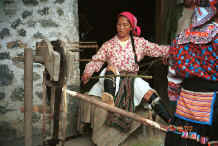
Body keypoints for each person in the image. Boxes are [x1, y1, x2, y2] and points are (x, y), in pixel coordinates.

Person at [81, 11, 172, 132]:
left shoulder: (139, 43)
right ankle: (110, 98)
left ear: (131, 27)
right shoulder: (109, 45)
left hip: (130, 78)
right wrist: (88, 71)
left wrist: (172, 52)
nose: (121, 28)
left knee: (150, 94)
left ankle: (171, 123)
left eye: (125, 25)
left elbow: (158, 49)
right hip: (111, 79)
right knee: (111, 69)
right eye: (119, 24)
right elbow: (97, 60)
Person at [165, 0, 218, 145]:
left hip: (185, 106)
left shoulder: (181, 38)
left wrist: (174, 95)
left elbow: (173, 74)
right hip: (212, 106)